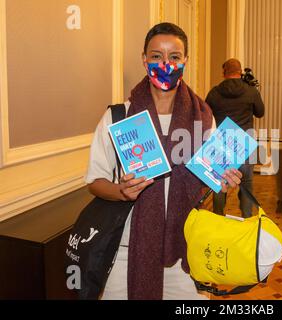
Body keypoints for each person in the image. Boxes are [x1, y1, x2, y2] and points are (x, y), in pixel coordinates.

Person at [85, 22, 242, 300]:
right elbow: (95, 182)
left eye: (174, 57)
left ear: (185, 61)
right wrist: (121, 191)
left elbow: (207, 185)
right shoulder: (119, 117)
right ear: (144, 59)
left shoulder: (204, 118)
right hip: (127, 251)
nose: (165, 64)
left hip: (185, 252)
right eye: (156, 56)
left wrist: (223, 182)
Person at [205, 59, 265, 218]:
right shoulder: (251, 91)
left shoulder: (214, 92)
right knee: (246, 184)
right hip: (245, 144)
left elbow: (205, 115)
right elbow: (260, 112)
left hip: (222, 144)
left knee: (220, 183)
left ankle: (218, 218)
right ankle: (247, 218)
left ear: (224, 73)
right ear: (240, 72)